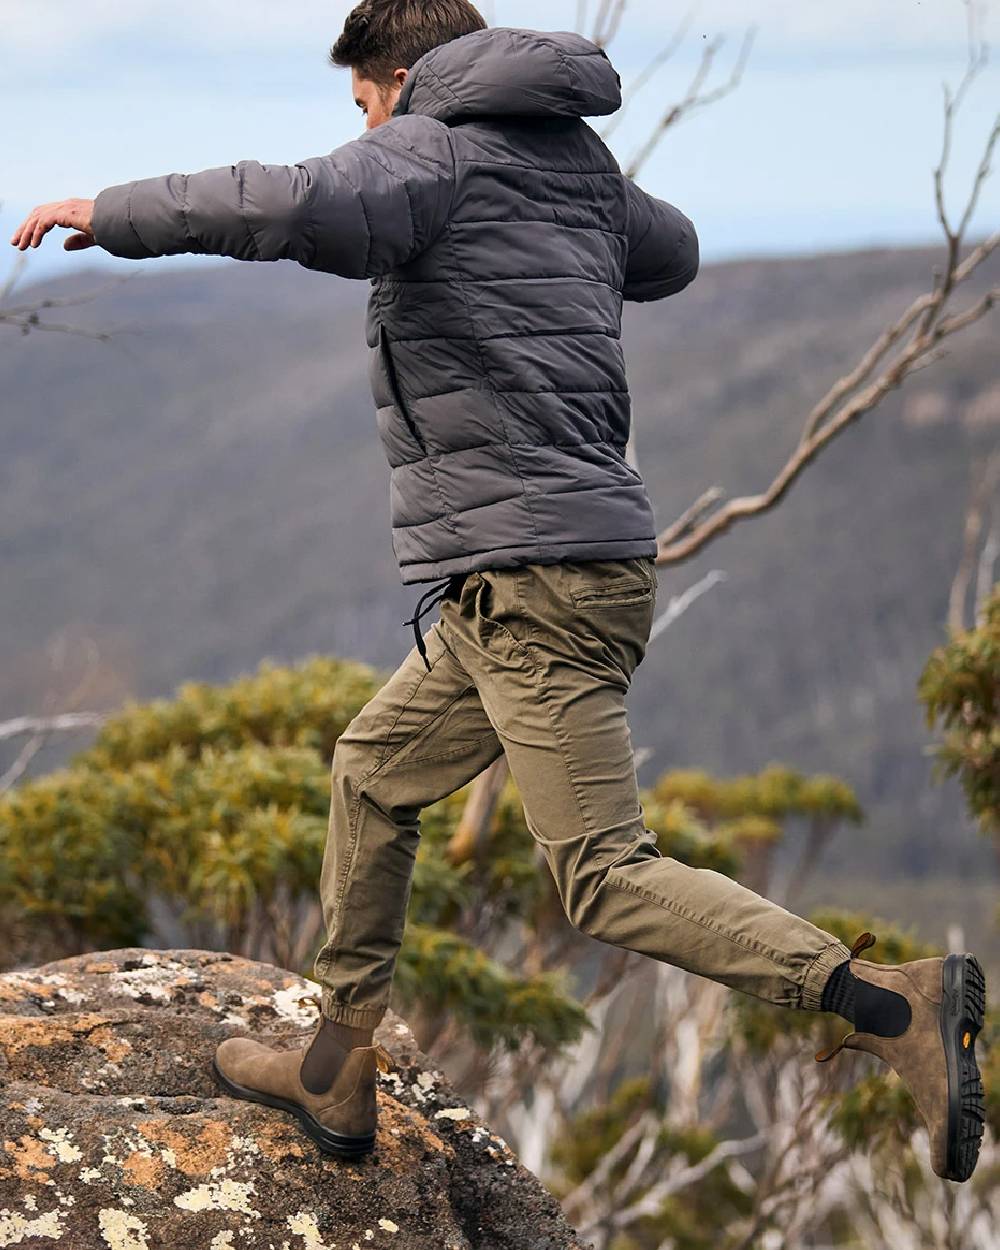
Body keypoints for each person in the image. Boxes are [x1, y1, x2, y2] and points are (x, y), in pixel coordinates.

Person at [12, 0, 985, 1183]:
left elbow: (289, 200)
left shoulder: (431, 147)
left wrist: (106, 211)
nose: (363, 130)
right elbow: (667, 249)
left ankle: (884, 1003)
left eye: (365, 105)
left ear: (404, 74)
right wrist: (562, 216)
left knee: (602, 874)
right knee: (372, 770)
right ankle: (336, 1059)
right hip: (535, 578)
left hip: (540, 583)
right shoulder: (562, 155)